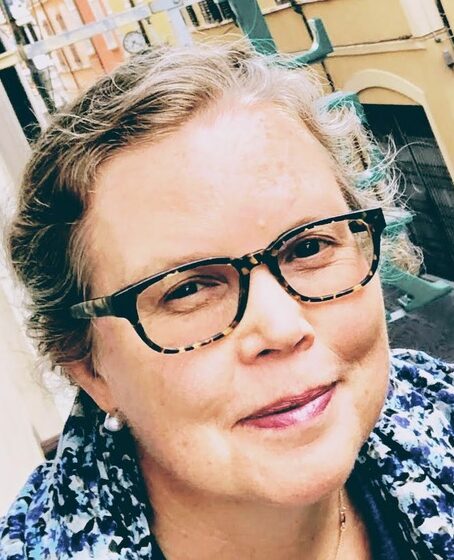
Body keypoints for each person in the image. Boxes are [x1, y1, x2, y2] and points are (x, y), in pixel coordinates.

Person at [0, 42, 452, 560]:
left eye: (309, 247)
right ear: (89, 369)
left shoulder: (438, 409)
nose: (282, 327)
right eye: (187, 289)